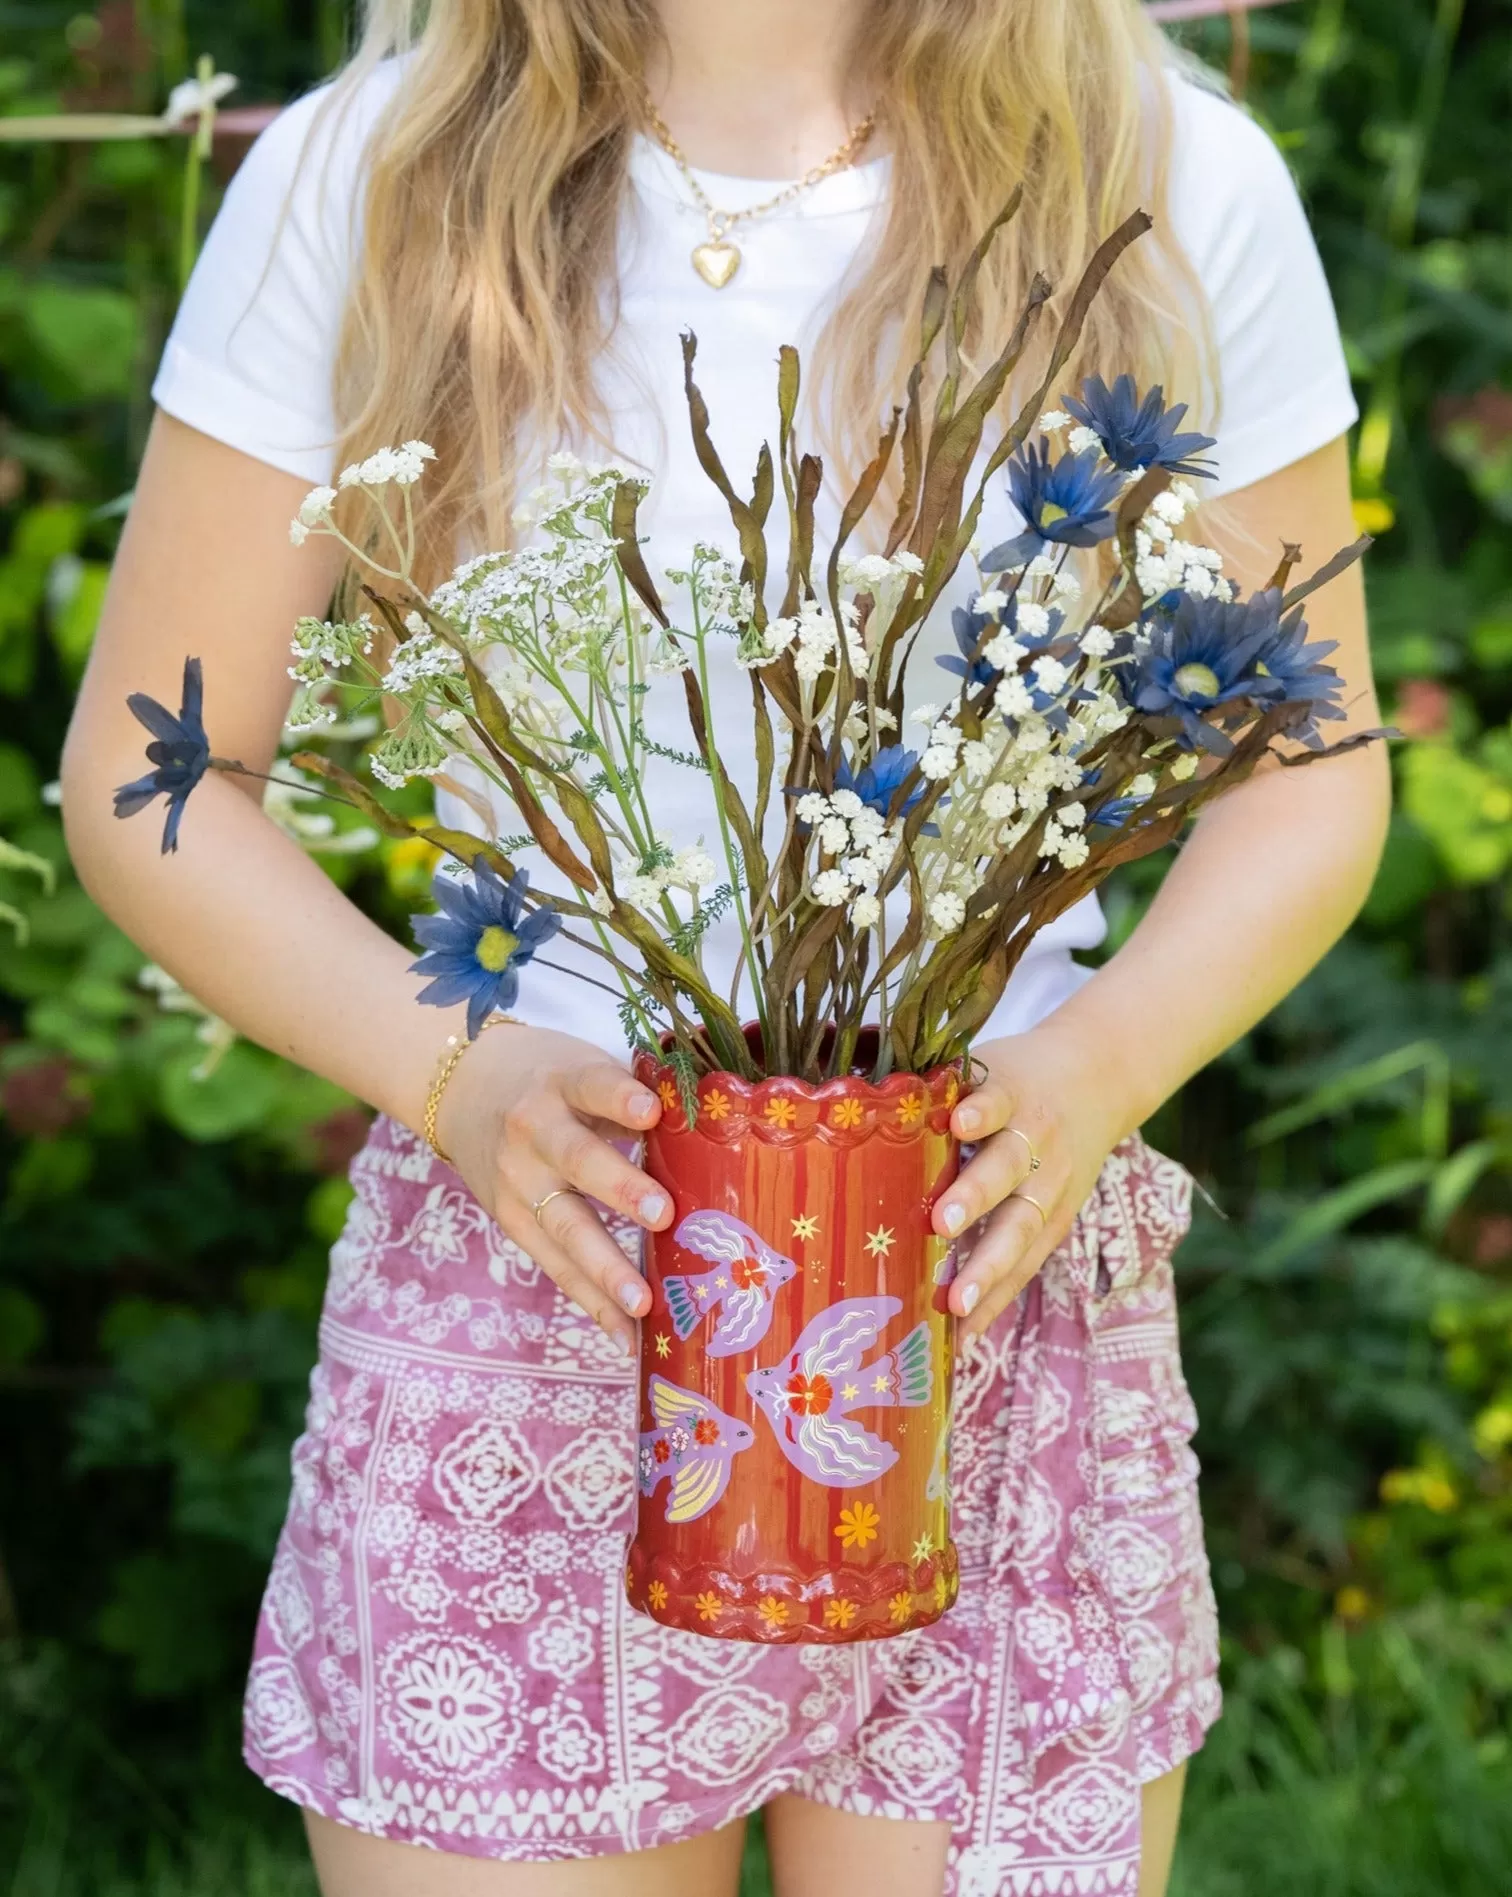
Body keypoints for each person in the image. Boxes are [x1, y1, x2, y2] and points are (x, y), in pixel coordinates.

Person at [60, 1, 1387, 1892]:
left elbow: (1306, 778)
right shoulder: (372, 176)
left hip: (985, 1271)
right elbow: (149, 772)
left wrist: (1096, 1065)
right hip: (541, 1260)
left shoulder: (1164, 174)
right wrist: (466, 1072)